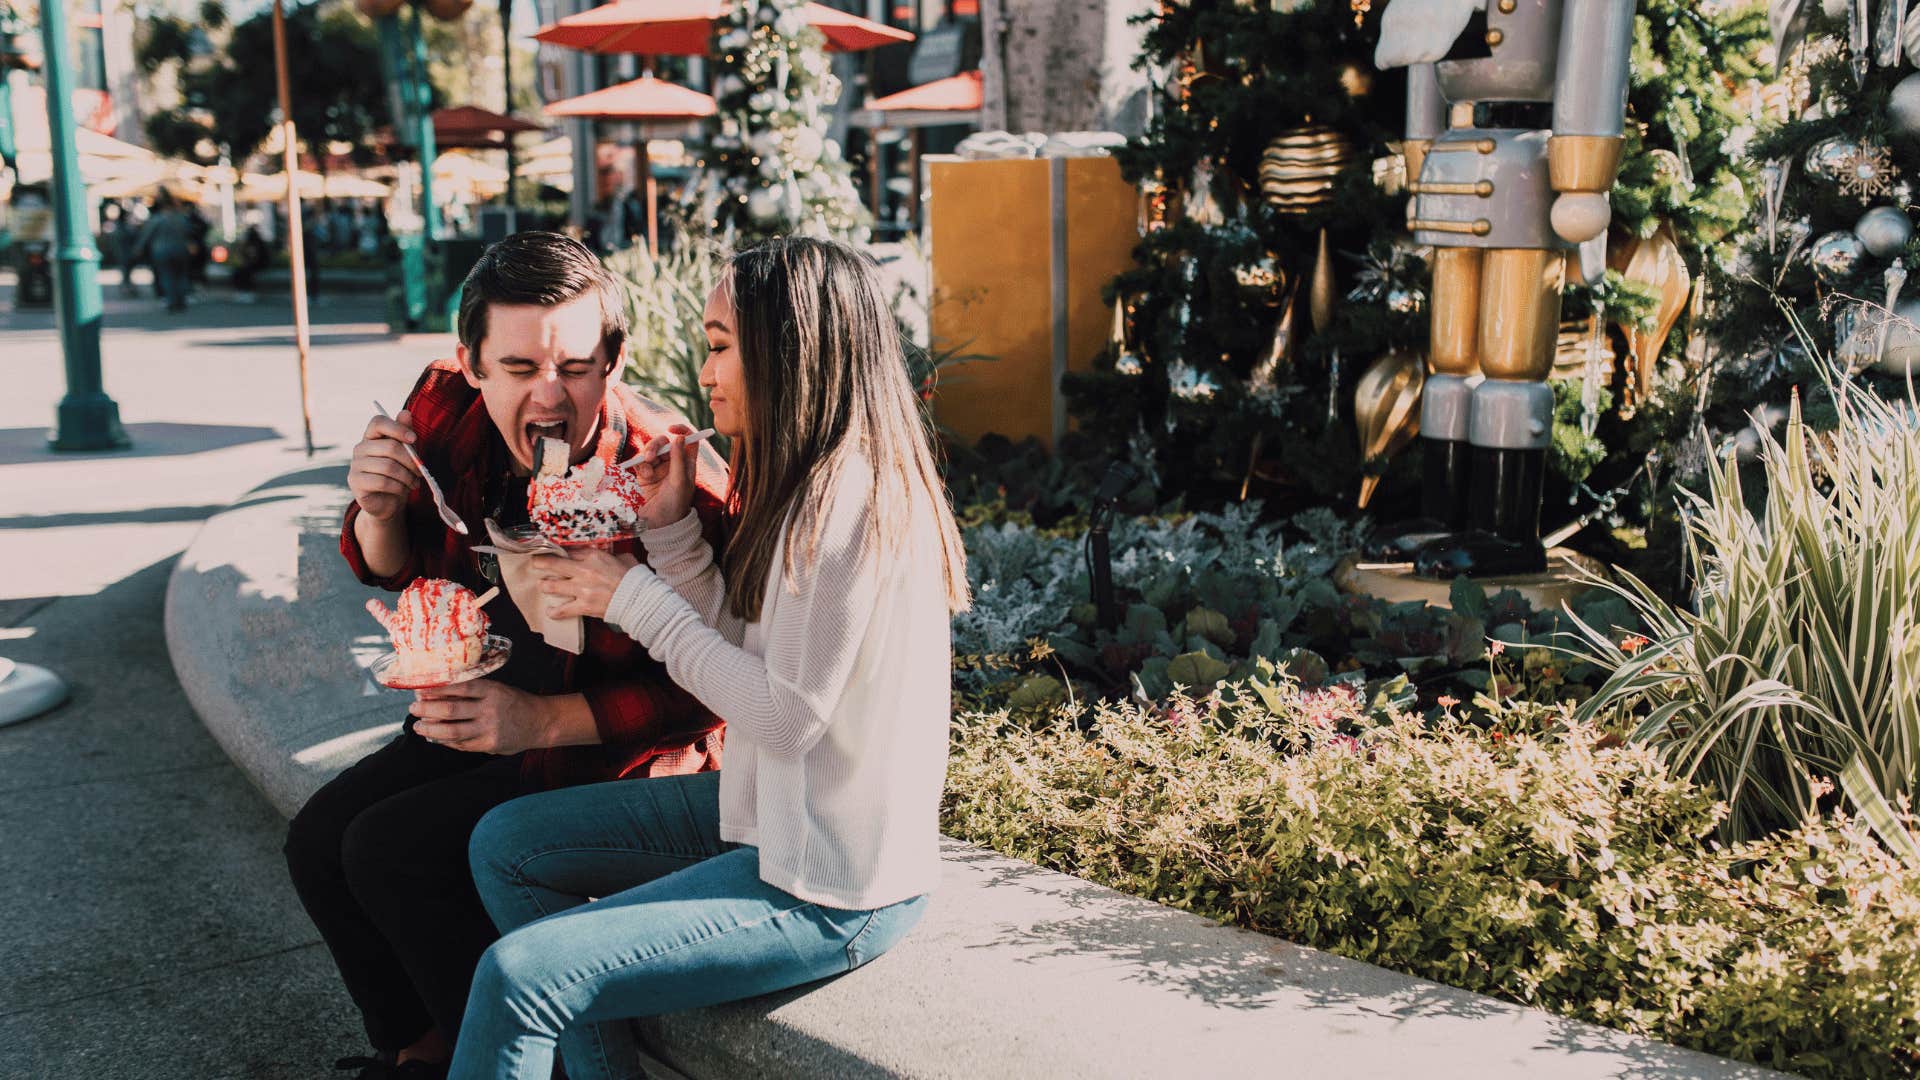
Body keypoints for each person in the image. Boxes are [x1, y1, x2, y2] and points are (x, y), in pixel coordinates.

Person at [449, 236, 971, 1080]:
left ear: (788, 349)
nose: (705, 373)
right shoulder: (808, 479)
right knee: (506, 844)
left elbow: (781, 718)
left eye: (721, 346)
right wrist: (672, 534)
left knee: (520, 977)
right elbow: (744, 663)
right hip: (773, 820)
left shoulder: (849, 505)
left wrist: (630, 597)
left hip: (834, 887)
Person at [283, 231, 732, 1080]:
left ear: (614, 358)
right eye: (520, 369)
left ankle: (500, 1065)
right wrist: (377, 509)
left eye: (575, 367)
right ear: (472, 363)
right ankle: (423, 1055)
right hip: (476, 705)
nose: (550, 397)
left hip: (611, 746)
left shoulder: (672, 478)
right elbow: (394, 559)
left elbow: (718, 689)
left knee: (394, 846)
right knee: (318, 842)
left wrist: (544, 718)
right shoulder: (443, 413)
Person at [136, 192, 192, 312]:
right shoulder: (182, 219)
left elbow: (146, 236)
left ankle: (171, 300)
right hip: (180, 249)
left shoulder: (157, 219)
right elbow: (190, 233)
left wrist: (139, 248)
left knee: (167, 276)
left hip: (162, 251)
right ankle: (181, 300)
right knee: (181, 275)